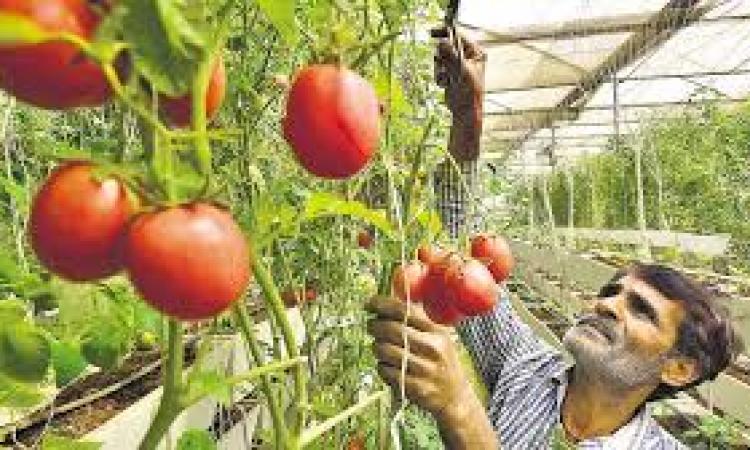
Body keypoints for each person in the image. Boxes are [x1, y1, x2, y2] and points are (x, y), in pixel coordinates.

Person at [367, 33, 744, 450]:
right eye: (611, 292)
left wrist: (460, 407)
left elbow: (463, 412)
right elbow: (457, 244)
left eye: (641, 311)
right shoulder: (524, 366)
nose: (606, 304)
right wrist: (467, 118)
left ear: (678, 369)